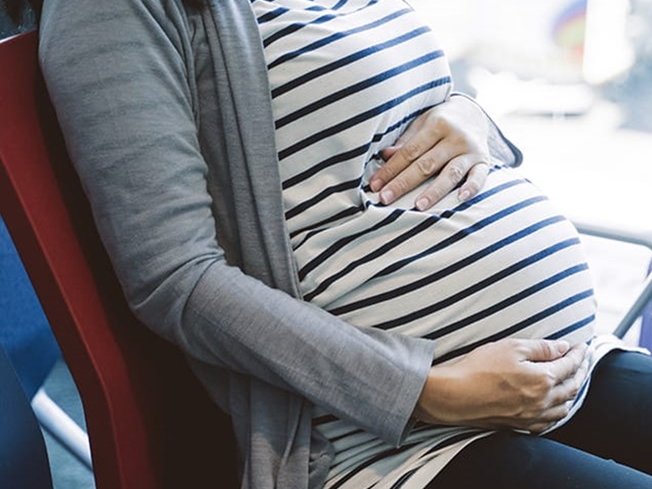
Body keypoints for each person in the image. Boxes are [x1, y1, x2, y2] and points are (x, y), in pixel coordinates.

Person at [31, 0, 652, 487]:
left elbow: (394, 107)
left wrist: (474, 118)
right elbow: (177, 281)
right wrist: (424, 394)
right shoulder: (111, 10)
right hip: (395, 442)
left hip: (574, 360)